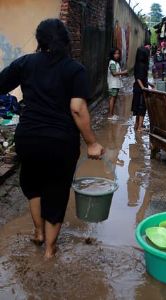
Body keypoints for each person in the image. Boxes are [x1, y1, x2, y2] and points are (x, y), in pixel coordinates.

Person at [0, 18, 104, 258]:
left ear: (39, 41)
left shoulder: (25, 63)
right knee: (56, 192)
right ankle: (49, 250)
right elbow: (77, 108)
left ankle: (38, 233)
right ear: (66, 41)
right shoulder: (75, 69)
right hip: (60, 142)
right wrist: (92, 142)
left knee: (33, 186)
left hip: (28, 138)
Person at [131, 46, 153, 132]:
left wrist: (149, 84)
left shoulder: (138, 64)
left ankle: (137, 125)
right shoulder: (142, 65)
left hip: (137, 88)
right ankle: (140, 127)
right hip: (140, 90)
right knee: (141, 107)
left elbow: (142, 78)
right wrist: (143, 88)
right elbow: (139, 79)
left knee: (137, 107)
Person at [107, 48, 128, 120]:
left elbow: (118, 73)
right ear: (112, 54)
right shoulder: (112, 62)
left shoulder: (116, 63)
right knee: (112, 98)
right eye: (115, 53)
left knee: (114, 98)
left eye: (118, 53)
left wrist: (123, 74)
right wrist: (124, 72)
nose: (117, 55)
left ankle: (112, 114)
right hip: (113, 84)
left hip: (116, 83)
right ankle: (110, 115)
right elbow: (114, 73)